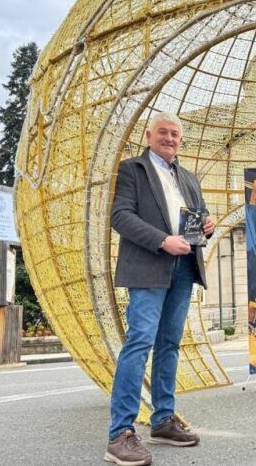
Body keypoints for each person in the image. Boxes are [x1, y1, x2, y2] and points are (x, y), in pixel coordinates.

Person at [105, 112, 215, 466]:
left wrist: (207, 227)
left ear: (182, 140)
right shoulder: (131, 169)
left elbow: (196, 221)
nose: (170, 138)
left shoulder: (188, 177)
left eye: (176, 134)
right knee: (140, 342)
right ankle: (120, 434)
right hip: (149, 265)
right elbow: (120, 217)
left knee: (170, 344)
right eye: (163, 132)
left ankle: (163, 419)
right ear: (149, 135)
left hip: (184, 267)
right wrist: (162, 241)